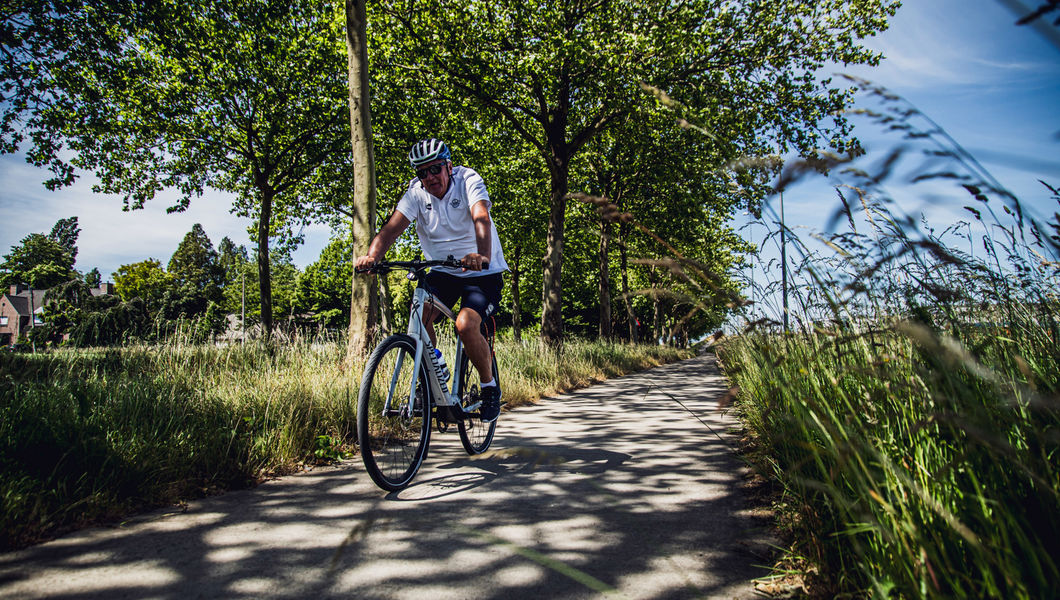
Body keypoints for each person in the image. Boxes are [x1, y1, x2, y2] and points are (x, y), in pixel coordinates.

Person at [354, 138, 508, 422]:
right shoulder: (415, 194)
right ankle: (432, 370)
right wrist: (371, 256)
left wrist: (481, 255)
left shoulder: (468, 179)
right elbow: (390, 230)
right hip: (443, 270)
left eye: (435, 169)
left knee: (465, 324)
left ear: (448, 166)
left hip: (482, 272)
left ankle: (489, 388)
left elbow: (481, 217)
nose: (429, 177)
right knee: (420, 314)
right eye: (422, 172)